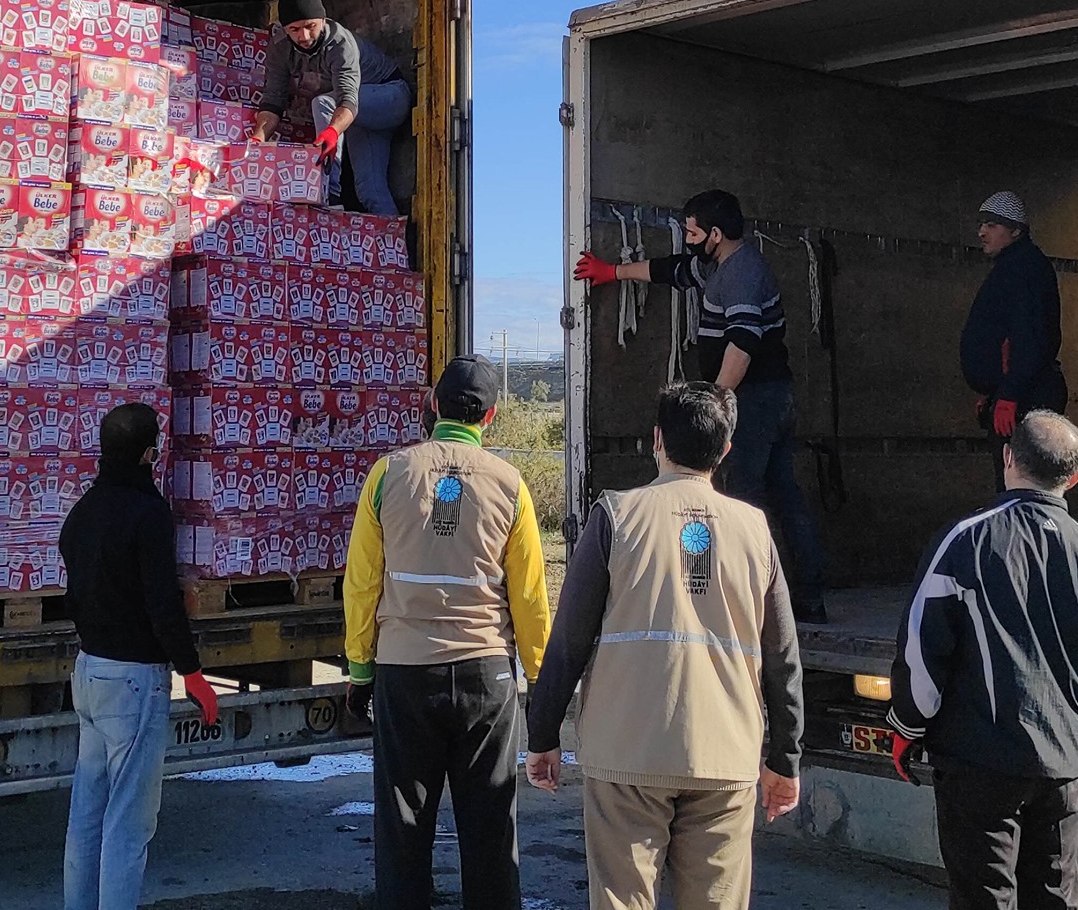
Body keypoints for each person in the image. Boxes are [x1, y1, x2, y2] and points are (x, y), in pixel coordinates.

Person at [525, 381, 804, 910]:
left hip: (626, 753)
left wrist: (542, 734)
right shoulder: (755, 530)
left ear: (657, 439)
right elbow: (782, 657)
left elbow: (568, 641)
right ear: (726, 449)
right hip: (725, 756)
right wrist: (784, 758)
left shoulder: (616, 516)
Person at [886, 411, 1078, 910]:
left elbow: (923, 648)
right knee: (1056, 896)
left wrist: (907, 727)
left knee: (985, 898)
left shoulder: (963, 540)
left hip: (979, 762)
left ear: (1008, 457)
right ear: (1074, 478)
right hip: (1064, 764)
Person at [342, 353, 553, 910]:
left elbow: (361, 583)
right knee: (490, 832)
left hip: (405, 670)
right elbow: (530, 597)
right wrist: (540, 681)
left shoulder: (388, 474)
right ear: (491, 416)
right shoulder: (510, 485)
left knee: (403, 831)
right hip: (486, 676)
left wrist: (360, 669)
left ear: (433, 406)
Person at [573, 188, 828, 622]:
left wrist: (716, 403)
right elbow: (671, 270)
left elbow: (743, 345)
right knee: (784, 492)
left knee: (743, 499)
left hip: (756, 401)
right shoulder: (718, 264)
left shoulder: (742, 274)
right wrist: (611, 271)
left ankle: (755, 604)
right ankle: (808, 597)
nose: (687, 240)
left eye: (692, 233)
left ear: (715, 234)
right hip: (772, 397)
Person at [59, 402, 219, 910]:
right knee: (129, 825)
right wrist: (193, 672)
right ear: (150, 454)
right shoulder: (147, 514)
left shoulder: (83, 511)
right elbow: (161, 605)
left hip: (89, 672)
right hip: (133, 683)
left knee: (86, 818)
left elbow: (77, 592)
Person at [253, 0, 411, 215]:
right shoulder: (280, 48)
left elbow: (347, 100)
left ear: (323, 20)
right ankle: (393, 238)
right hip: (356, 117)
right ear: (285, 29)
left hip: (388, 98)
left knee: (323, 103)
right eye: (294, 29)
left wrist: (331, 132)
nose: (304, 36)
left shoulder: (340, 44)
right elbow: (272, 101)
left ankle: (328, 191)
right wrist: (258, 140)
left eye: (310, 26)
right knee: (370, 192)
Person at [959, 192, 1066, 484]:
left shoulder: (1023, 269)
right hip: (1019, 394)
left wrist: (1009, 393)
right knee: (1017, 480)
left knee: (1022, 483)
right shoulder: (1013, 267)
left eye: (992, 225)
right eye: (981, 224)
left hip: (1026, 398)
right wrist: (995, 388)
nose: (982, 232)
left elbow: (1030, 336)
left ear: (1015, 231)